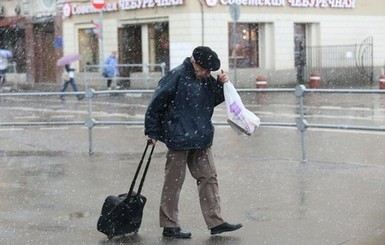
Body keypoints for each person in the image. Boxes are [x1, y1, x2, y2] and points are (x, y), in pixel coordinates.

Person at [144, 46, 243, 239]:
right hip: (179, 137)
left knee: (209, 178)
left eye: (209, 71)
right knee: (173, 182)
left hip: (201, 137)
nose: (207, 74)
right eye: (205, 69)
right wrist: (152, 131)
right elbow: (156, 104)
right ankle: (169, 225)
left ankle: (216, 222)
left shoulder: (205, 79)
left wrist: (222, 85)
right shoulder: (176, 76)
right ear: (195, 63)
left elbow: (212, 100)